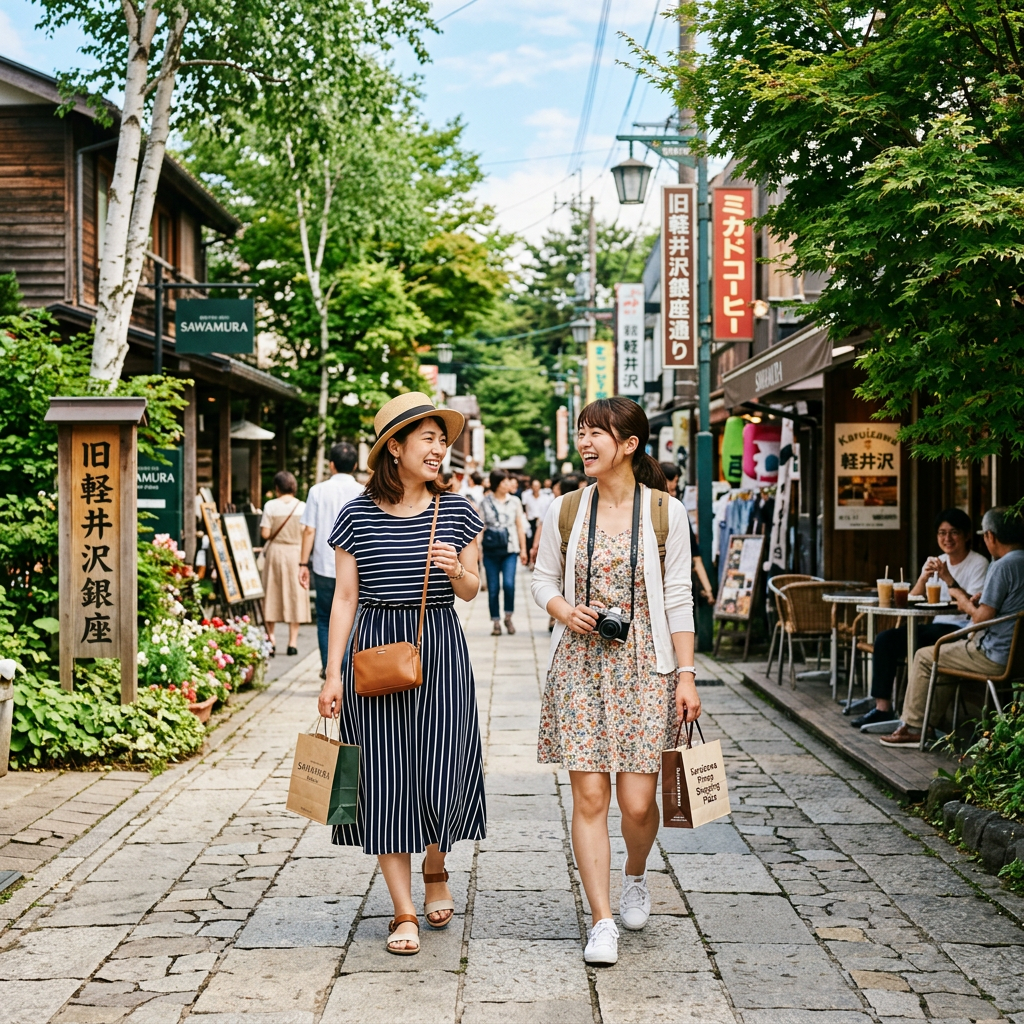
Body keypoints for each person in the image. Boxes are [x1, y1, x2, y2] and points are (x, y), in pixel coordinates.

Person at [532, 397, 698, 967]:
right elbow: (540, 580)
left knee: (636, 800)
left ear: (628, 444)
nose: (585, 441)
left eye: (596, 432)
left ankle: (634, 875)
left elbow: (679, 597)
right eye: (581, 431)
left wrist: (687, 675)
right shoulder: (564, 510)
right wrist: (562, 608)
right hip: (579, 664)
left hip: (644, 668)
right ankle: (601, 919)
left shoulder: (665, 513)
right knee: (590, 795)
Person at [318, 392, 485, 956]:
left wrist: (457, 569)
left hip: (438, 649)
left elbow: (471, 590)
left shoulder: (459, 510)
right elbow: (344, 598)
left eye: (444, 440)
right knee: (383, 777)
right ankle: (403, 908)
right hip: (373, 654)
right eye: (429, 440)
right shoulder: (355, 514)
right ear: (396, 447)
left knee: (443, 766)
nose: (441, 450)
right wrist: (331, 673)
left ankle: (436, 864)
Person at [882, 506, 1024, 746]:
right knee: (942, 652)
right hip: (1018, 655)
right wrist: (982, 598)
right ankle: (930, 723)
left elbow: (980, 618)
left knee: (927, 655)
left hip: (994, 654)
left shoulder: (1000, 566)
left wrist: (960, 596)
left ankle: (916, 727)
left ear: (990, 535)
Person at [854, 508, 989, 728]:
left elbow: (971, 606)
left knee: (917, 647)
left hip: (961, 629)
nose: (947, 538)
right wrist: (924, 576)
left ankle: (918, 718)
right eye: (941, 533)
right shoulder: (939, 561)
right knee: (885, 640)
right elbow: (913, 598)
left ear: (966, 536)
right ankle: (883, 709)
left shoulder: (978, 563)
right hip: (936, 625)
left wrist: (947, 577)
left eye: (953, 532)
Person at [299, 443, 364, 677]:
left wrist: (302, 563)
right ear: (355, 466)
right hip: (356, 566)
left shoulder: (317, 491)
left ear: (331, 465)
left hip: (324, 565)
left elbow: (309, 530)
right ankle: (346, 669)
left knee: (325, 618)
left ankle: (330, 669)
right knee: (353, 616)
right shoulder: (363, 491)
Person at [260, 471, 310, 656]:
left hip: (275, 553)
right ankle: (292, 642)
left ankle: (271, 638)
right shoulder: (302, 506)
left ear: (277, 488)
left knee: (271, 593)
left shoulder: (270, 506)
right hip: (296, 553)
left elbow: (265, 534)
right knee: (294, 595)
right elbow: (307, 531)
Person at [660, 461, 715, 607]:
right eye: (675, 482)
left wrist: (708, 590)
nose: (675, 490)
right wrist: (708, 590)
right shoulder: (677, 510)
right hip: (675, 584)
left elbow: (695, 556)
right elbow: (695, 557)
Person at [481, 469, 528, 636]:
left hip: (510, 549)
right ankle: (495, 622)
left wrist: (523, 550)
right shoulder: (485, 502)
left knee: (509, 585)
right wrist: (478, 552)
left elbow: (519, 526)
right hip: (491, 550)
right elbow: (481, 528)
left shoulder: (515, 501)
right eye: (505, 481)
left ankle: (508, 616)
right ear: (497, 484)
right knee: (493, 588)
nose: (508, 484)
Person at [522, 477, 554, 565]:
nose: (536, 488)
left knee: (540, 541)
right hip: (531, 521)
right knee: (530, 540)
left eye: (537, 486)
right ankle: (529, 560)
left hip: (541, 521)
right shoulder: (527, 497)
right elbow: (525, 508)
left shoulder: (545, 498)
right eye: (534, 486)